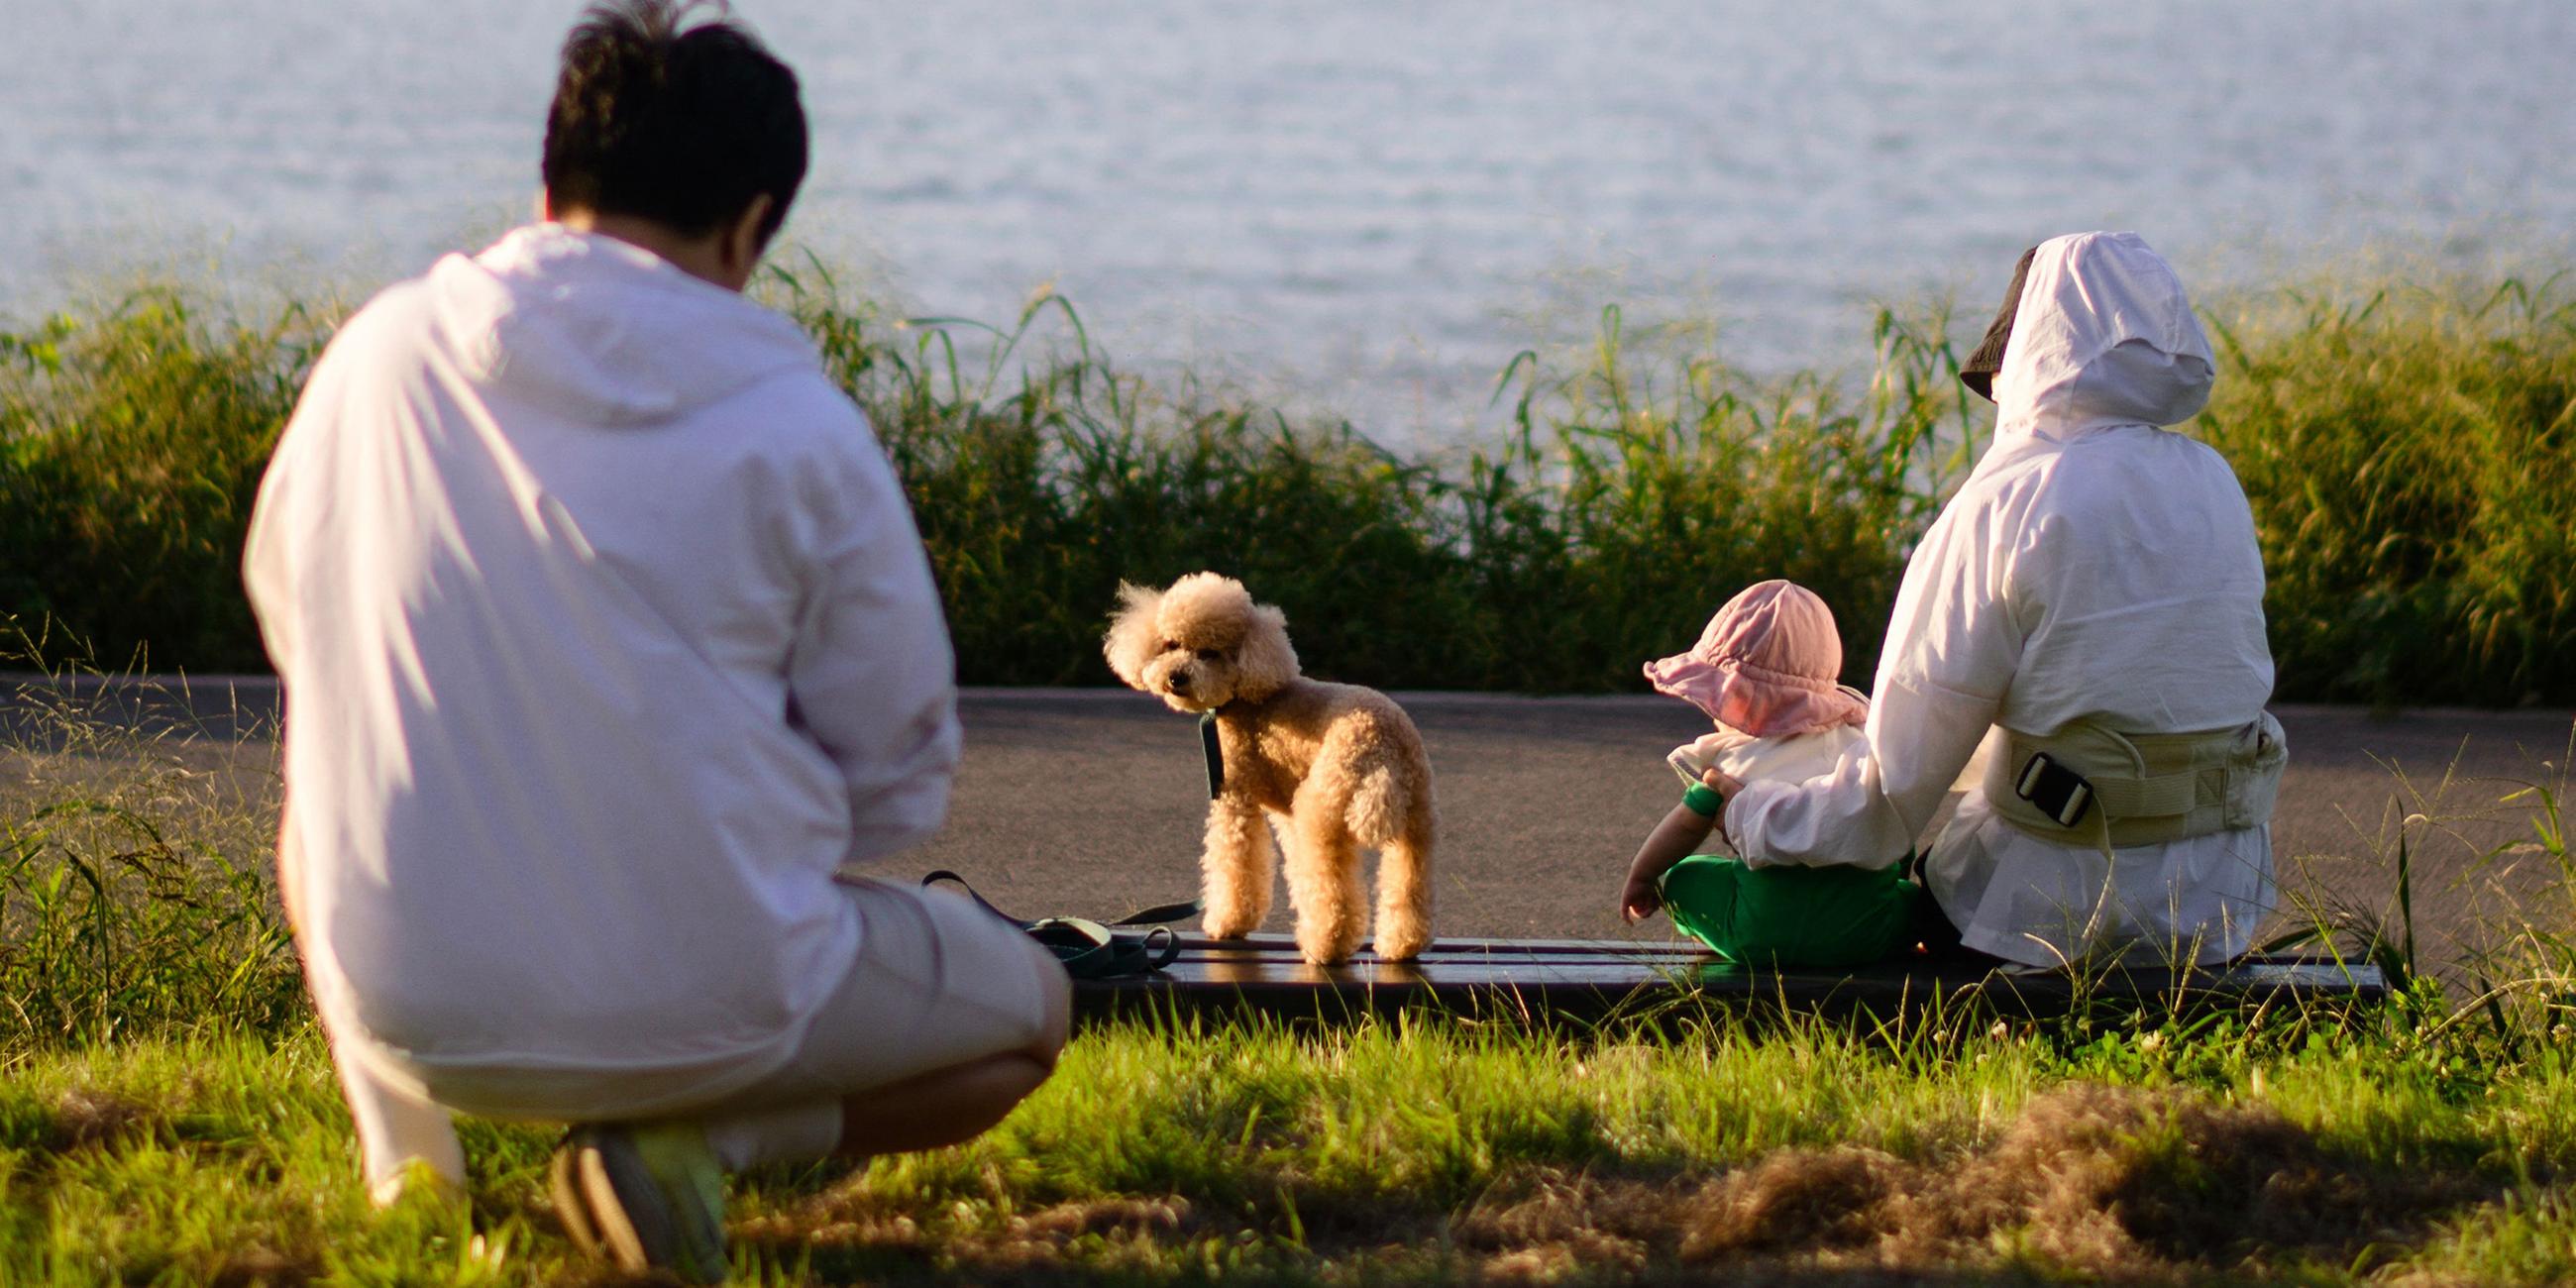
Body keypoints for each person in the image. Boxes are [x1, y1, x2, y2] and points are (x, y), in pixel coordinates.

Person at [242, 2, 1068, 1278]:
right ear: (749, 225)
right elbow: (897, 772)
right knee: (1029, 1016)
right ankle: (696, 1149)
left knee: (326, 793)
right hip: (718, 1007)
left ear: (547, 177)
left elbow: (300, 620)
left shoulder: (377, 354)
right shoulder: (798, 422)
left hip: (405, 1006)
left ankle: (410, 1178)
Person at [1691, 232, 2287, 971]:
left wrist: (1755, 814)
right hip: (2212, 905)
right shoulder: (2213, 484)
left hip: (2046, 905)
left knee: (1881, 918)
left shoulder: (2010, 500)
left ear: (2032, 356)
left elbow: (1891, 794)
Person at [1615, 580, 1919, 968]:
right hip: (1865, 937)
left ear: (1734, 702)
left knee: (1684, 876)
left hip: (1756, 935)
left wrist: (1642, 877)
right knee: (1911, 900)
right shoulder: (1861, 750)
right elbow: (1897, 835)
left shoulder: (1730, 763)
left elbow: (1685, 827)